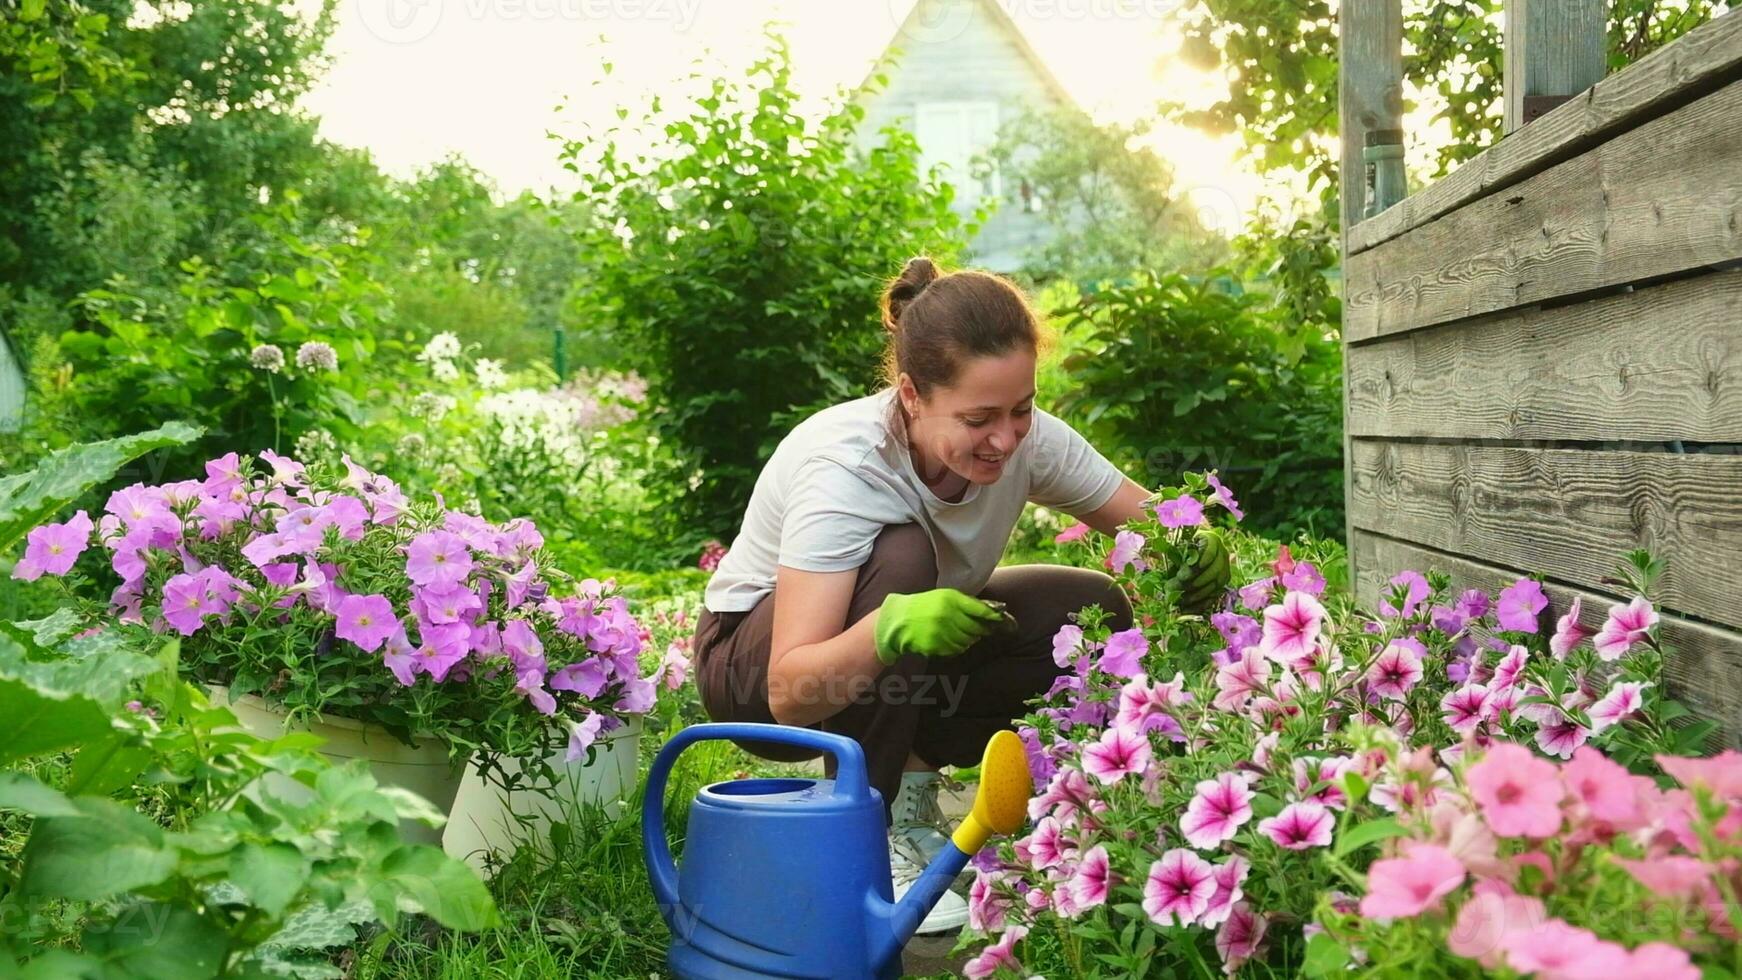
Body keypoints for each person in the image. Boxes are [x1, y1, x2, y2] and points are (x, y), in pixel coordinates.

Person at [691, 257, 1156, 933]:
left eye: (1020, 409)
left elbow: (1157, 521)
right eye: (978, 419)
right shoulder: (846, 466)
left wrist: (1200, 547)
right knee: (902, 555)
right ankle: (873, 833)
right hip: (752, 671)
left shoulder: (1024, 440)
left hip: (892, 667)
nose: (1004, 438)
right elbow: (791, 690)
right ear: (912, 395)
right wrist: (890, 626)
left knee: (1089, 609)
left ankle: (937, 794)